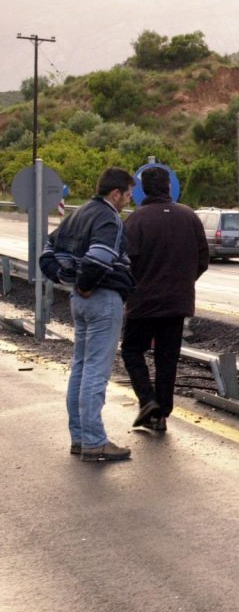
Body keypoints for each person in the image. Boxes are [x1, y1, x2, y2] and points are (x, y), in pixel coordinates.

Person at [40, 167, 136, 462]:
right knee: (96, 370)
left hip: (79, 301)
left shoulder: (77, 213)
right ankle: (95, 441)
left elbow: (47, 251)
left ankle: (80, 438)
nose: (129, 200)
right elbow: (99, 258)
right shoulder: (109, 218)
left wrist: (64, 278)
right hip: (101, 298)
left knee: (80, 367)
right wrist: (84, 285)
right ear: (115, 193)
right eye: (128, 194)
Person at [121, 166, 209, 432]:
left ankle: (148, 400)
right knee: (167, 357)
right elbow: (203, 259)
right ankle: (161, 416)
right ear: (169, 187)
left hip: (143, 303)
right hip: (177, 302)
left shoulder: (135, 221)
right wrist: (182, 283)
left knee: (132, 350)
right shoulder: (189, 216)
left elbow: (126, 263)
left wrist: (135, 288)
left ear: (142, 190)